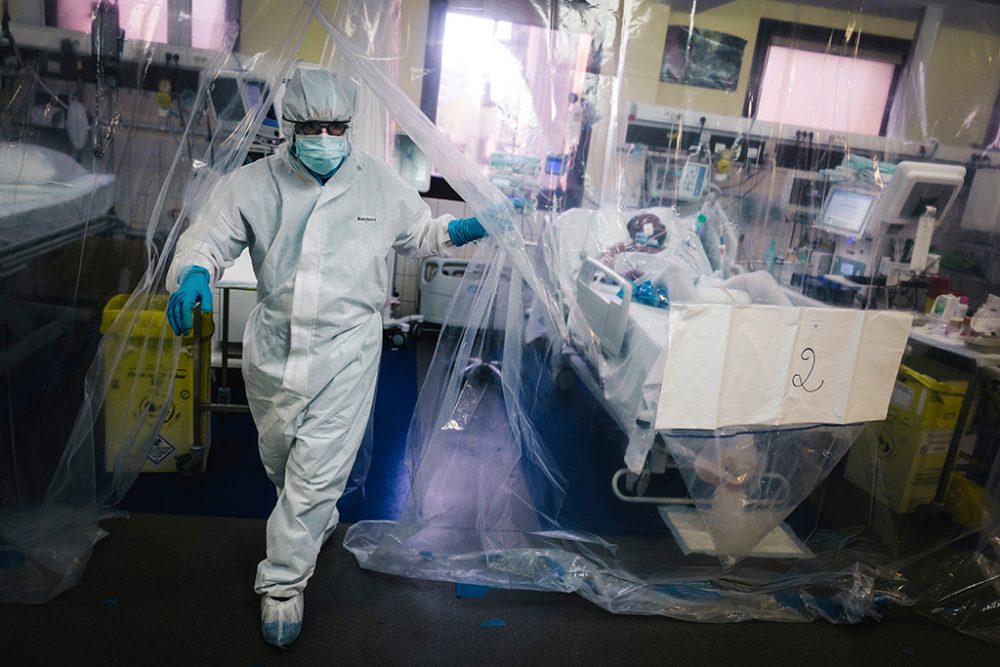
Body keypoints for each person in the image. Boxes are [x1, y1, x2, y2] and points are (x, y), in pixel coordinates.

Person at [165, 65, 487, 647]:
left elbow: (420, 234)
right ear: (288, 126)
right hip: (273, 349)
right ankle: (312, 520)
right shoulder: (251, 185)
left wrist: (465, 227)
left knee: (314, 475)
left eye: (335, 125)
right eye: (311, 125)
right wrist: (192, 274)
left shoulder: (378, 184)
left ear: (349, 126)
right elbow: (208, 240)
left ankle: (283, 585)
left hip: (347, 351)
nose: (324, 136)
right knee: (283, 462)